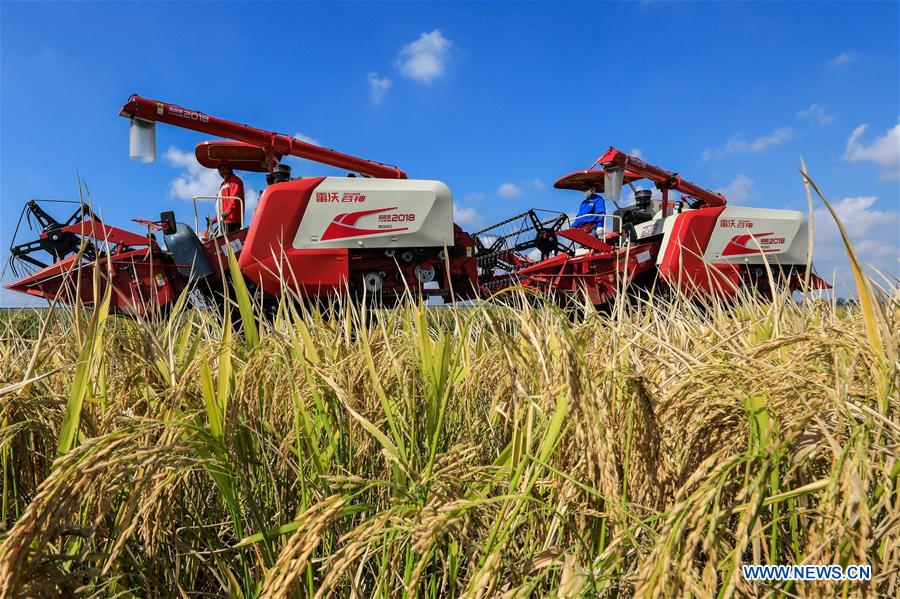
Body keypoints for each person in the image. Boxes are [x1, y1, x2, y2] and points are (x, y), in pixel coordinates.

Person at [217, 164, 245, 234]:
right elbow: (221, 204)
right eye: (220, 170)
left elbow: (235, 197)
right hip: (223, 219)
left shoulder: (235, 181)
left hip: (232, 219)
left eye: (224, 168)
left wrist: (228, 211)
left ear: (230, 169)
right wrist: (215, 219)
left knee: (231, 243)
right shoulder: (223, 184)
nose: (222, 171)